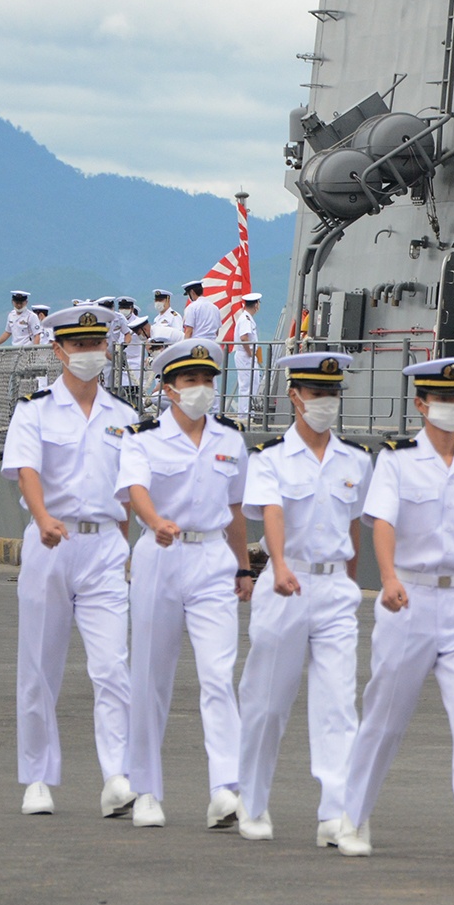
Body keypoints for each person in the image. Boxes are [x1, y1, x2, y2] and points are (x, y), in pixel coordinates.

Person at [336, 358, 454, 860]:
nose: (451, 407)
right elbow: (382, 524)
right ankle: (352, 816)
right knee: (385, 718)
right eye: (441, 400)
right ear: (421, 405)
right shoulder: (396, 460)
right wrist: (391, 579)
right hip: (411, 599)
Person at [1, 306, 140, 819]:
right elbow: (26, 472)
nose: (88, 354)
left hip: (104, 548)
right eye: (77, 346)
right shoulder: (34, 410)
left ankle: (117, 777)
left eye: (95, 345)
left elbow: (129, 492)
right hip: (50, 543)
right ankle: (38, 778)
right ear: (58, 350)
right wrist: (42, 519)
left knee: (112, 667)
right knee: (40, 666)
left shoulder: (124, 418)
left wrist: (124, 548)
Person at [116, 338, 252, 830]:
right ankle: (147, 788)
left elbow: (236, 509)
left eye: (208, 380)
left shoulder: (230, 440)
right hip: (161, 557)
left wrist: (243, 566)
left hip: (213, 557)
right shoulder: (142, 438)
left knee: (218, 675)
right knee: (152, 677)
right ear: (168, 388)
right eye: (190, 381)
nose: (201, 389)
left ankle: (226, 788)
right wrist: (155, 523)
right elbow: (135, 492)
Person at [236, 353, 369, 845]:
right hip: (284, 584)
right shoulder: (270, 456)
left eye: (333, 393)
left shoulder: (356, 459)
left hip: (334, 588)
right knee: (267, 703)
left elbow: (353, 525)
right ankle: (251, 801)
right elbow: (271, 512)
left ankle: (336, 814)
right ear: (295, 395)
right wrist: (281, 563)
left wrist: (350, 583)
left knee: (338, 703)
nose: (326, 403)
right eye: (317, 393)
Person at [229, 292, 263, 420]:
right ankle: (245, 414)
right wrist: (250, 353)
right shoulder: (246, 319)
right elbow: (244, 337)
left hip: (247, 355)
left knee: (252, 384)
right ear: (256, 305)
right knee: (247, 386)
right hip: (245, 355)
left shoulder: (246, 318)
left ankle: (249, 412)